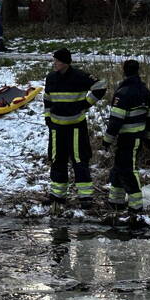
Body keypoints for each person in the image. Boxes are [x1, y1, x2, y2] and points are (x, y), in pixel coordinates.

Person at [43, 48, 107, 210]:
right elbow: (47, 98)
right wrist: (47, 117)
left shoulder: (80, 76)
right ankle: (58, 195)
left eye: (56, 61)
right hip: (57, 128)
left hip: (76, 127)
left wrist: (85, 104)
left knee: (80, 160)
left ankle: (85, 197)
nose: (54, 63)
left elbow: (100, 86)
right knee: (57, 160)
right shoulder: (51, 78)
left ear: (65, 62)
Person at [101, 60, 150, 215]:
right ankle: (116, 202)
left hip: (128, 139)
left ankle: (136, 207)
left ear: (124, 71)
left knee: (128, 170)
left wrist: (107, 140)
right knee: (119, 168)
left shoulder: (123, 93)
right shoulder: (145, 91)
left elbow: (115, 121)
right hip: (137, 137)